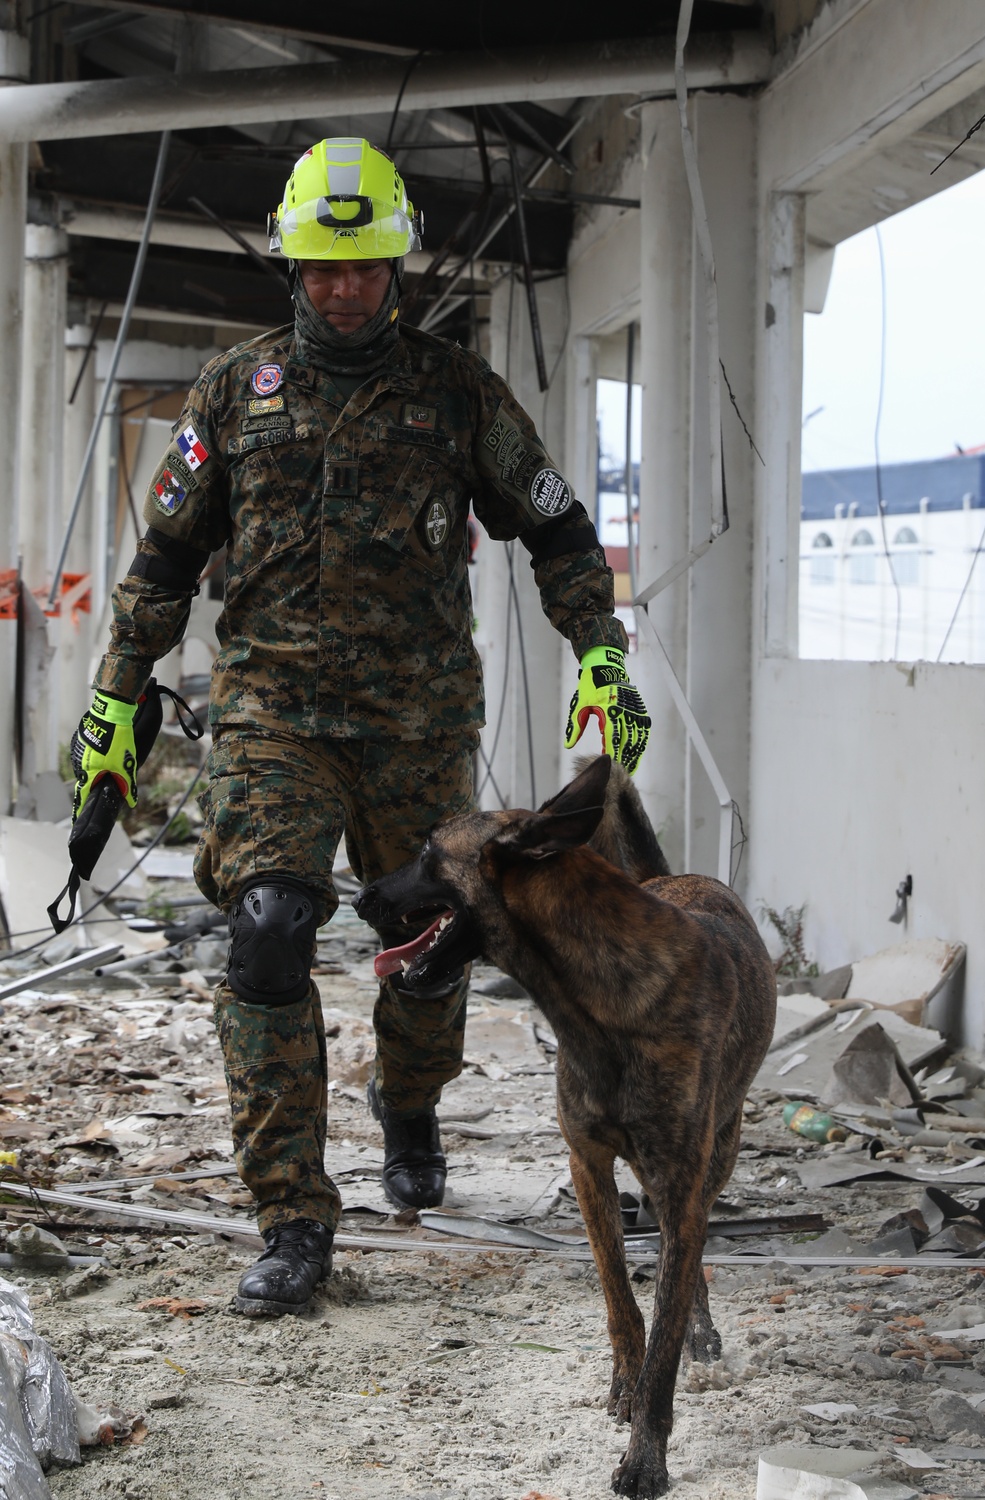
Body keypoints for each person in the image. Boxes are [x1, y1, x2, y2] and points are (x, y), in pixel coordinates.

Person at [69, 137, 651, 1316]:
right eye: (323, 270)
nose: (344, 290)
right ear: (291, 267)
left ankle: (411, 1100)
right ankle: (291, 1215)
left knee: (423, 943)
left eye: (366, 268)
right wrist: (117, 698)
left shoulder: (457, 395)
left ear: (400, 264)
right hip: (274, 714)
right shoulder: (235, 393)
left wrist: (599, 648)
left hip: (419, 719)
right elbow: (167, 555)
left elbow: (555, 529)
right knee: (272, 926)